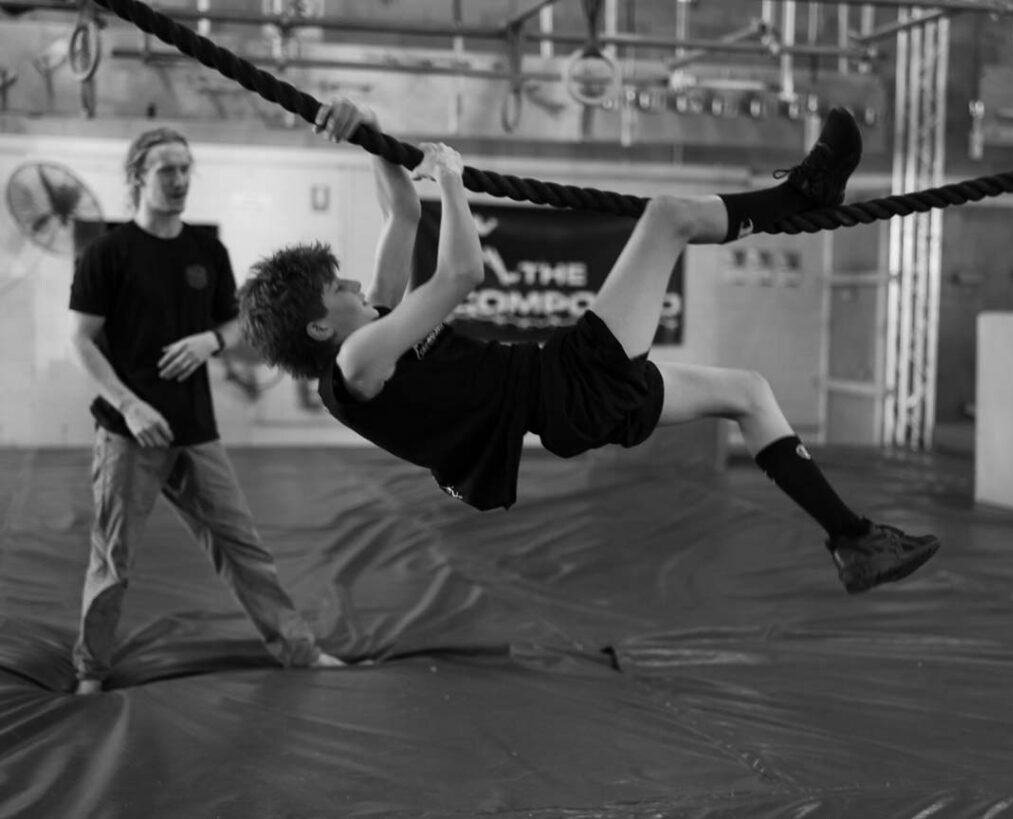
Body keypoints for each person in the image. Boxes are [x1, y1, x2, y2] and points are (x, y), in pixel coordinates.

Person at [238, 99, 939, 596]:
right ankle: (807, 194)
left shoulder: (374, 335)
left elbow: (402, 211)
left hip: (570, 396)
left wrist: (370, 130)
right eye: (338, 286)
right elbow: (461, 272)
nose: (357, 279)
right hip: (565, 384)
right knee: (666, 219)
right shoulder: (358, 364)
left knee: (748, 391)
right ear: (321, 329)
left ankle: (853, 542)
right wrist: (451, 176)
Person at [68, 126, 343, 695]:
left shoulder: (206, 251)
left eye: (187, 168)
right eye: (167, 169)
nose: (180, 180)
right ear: (138, 176)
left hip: (196, 428)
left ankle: (299, 650)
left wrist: (210, 343)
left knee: (245, 549)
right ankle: (90, 672)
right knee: (113, 559)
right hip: (128, 430)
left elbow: (229, 320)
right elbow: (82, 341)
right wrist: (131, 406)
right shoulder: (107, 254)